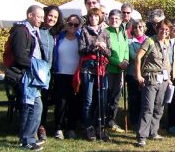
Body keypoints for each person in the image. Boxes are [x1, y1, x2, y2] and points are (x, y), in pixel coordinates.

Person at [11, 5, 50, 150]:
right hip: (26, 75)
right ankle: (26, 139)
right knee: (30, 107)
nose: (41, 19)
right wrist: (38, 66)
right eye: (38, 16)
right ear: (30, 15)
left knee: (36, 106)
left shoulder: (34, 31)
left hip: (33, 76)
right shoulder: (21, 31)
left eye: (42, 17)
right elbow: (20, 56)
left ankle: (28, 137)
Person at [134, 19, 173, 147]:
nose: (164, 31)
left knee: (159, 107)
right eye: (162, 28)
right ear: (157, 28)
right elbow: (138, 57)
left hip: (164, 79)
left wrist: (169, 78)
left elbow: (166, 62)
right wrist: (139, 74)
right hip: (150, 78)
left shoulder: (167, 43)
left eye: (167, 29)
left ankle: (153, 132)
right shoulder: (150, 41)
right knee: (147, 108)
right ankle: (142, 136)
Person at [78, 7, 111, 141]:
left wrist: (103, 48)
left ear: (100, 18)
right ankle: (88, 127)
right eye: (91, 17)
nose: (94, 19)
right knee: (88, 99)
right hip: (88, 68)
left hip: (101, 68)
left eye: (96, 17)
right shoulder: (84, 31)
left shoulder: (105, 32)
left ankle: (100, 126)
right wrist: (93, 46)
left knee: (101, 99)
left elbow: (110, 52)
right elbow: (81, 50)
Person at [53, 14, 82, 140]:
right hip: (61, 74)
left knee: (74, 103)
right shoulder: (59, 37)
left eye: (76, 25)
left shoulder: (80, 38)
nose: (73, 27)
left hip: (76, 75)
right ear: (66, 23)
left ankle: (71, 128)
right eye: (70, 24)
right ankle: (59, 127)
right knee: (61, 102)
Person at [38, 5, 64, 141]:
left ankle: (56, 126)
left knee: (52, 99)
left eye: (55, 17)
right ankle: (40, 126)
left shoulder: (56, 33)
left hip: (55, 71)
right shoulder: (38, 31)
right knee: (41, 100)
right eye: (50, 15)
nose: (52, 19)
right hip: (41, 71)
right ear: (44, 15)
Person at [105, 9, 129, 133]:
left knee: (116, 97)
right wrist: (117, 63)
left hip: (121, 70)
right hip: (109, 69)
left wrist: (125, 60)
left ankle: (111, 121)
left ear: (121, 21)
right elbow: (106, 52)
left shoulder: (123, 33)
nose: (114, 21)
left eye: (117, 19)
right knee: (107, 96)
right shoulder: (105, 32)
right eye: (112, 18)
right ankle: (103, 122)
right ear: (108, 20)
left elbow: (126, 48)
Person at [126, 20, 146, 129]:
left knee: (144, 98)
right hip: (132, 74)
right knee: (133, 98)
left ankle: (142, 121)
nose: (138, 29)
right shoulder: (129, 42)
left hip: (145, 75)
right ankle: (134, 121)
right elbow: (133, 56)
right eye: (136, 27)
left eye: (140, 27)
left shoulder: (149, 41)